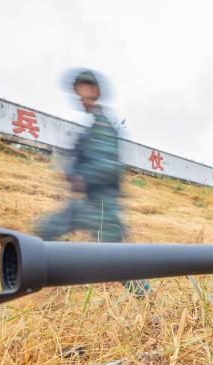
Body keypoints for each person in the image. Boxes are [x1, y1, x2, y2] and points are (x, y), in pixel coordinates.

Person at [36, 69, 151, 297]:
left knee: (118, 265)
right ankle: (53, 287)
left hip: (103, 207)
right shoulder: (92, 128)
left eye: (85, 93)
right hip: (91, 203)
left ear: (95, 92)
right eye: (78, 94)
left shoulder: (104, 126)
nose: (81, 99)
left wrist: (79, 176)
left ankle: (151, 305)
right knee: (48, 230)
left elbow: (108, 167)